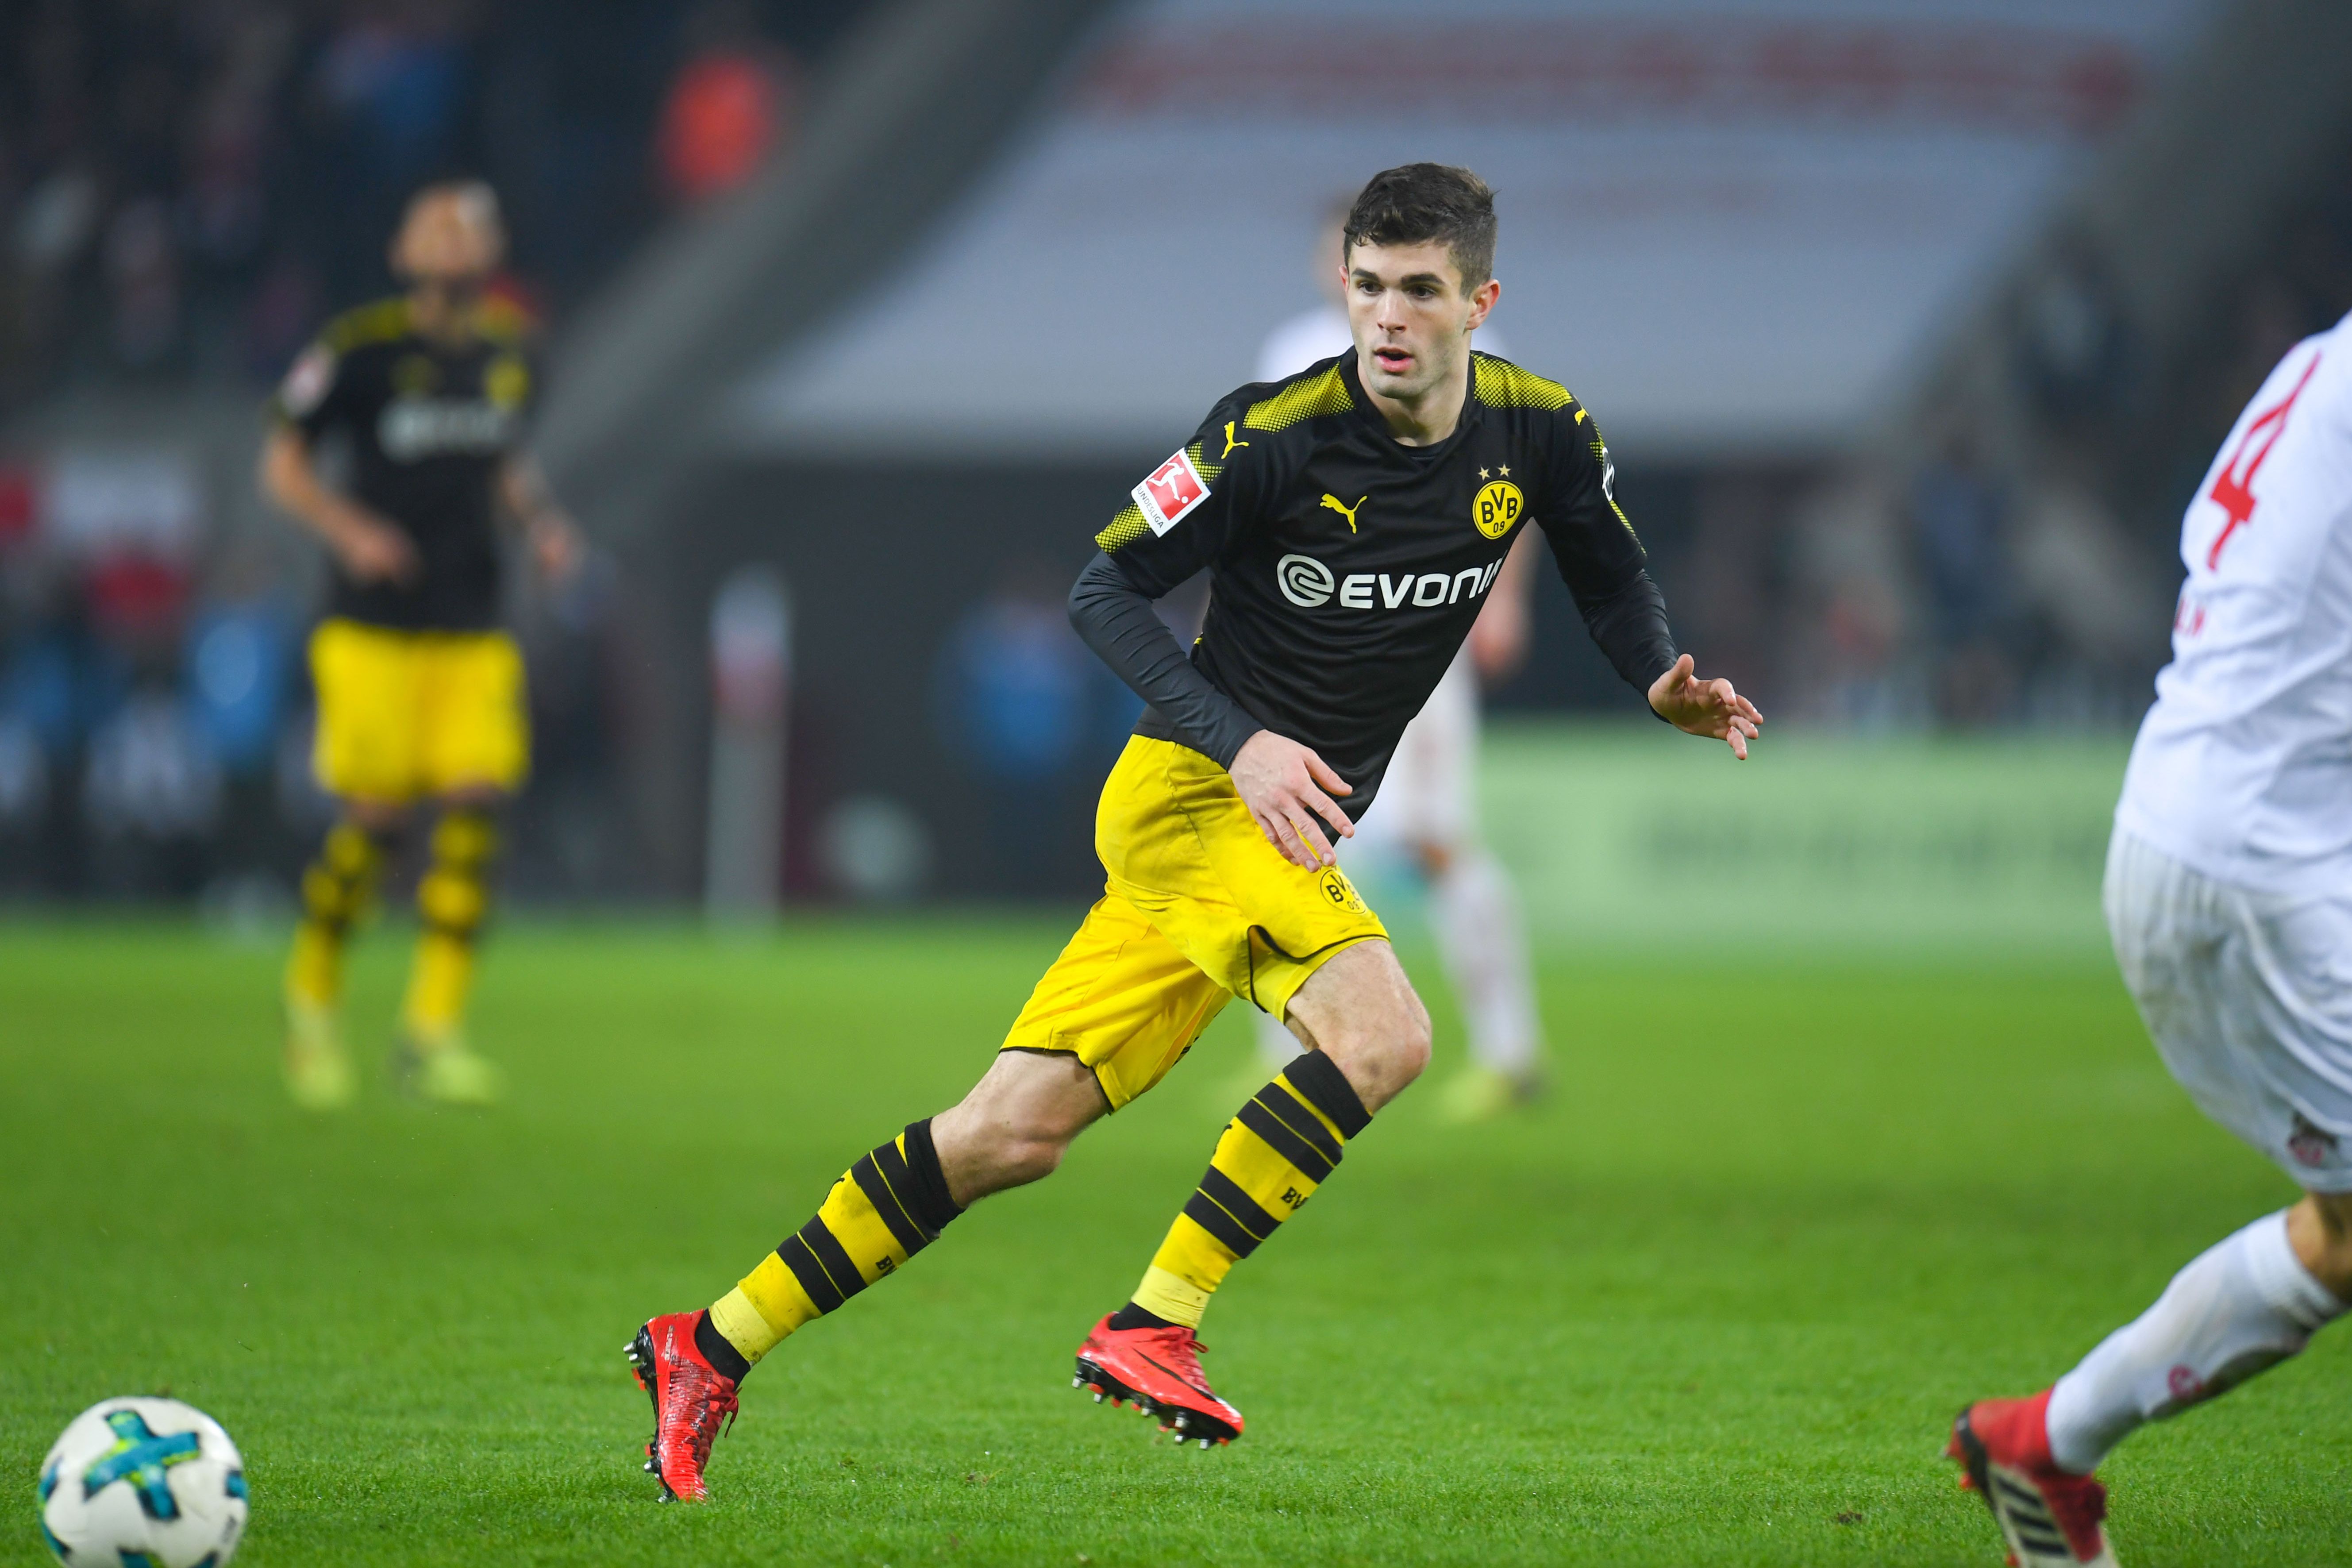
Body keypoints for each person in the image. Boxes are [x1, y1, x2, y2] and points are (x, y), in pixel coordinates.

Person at [624, 163, 1759, 1502]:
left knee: (1008, 1135)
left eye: (1418, 292)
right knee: (1386, 1034)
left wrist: (1659, 678)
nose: (1387, 318)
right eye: (1367, 287)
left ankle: (708, 1341)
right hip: (1193, 796)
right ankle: (1153, 1322)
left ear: (1479, 302)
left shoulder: (1539, 429)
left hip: (1256, 819)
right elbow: (1101, 590)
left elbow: (1609, 566)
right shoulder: (1270, 433)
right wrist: (1245, 739)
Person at [1947, 314, 2352, 1566]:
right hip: (2259, 864)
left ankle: (2038, 1445)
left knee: (2341, 1236)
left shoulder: (2318, 362)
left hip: (2224, 829)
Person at [262, 181, 580, 1111]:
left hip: (471, 624)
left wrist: (545, 525)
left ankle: (431, 1033)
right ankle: (311, 1003)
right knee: (376, 817)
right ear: (404, 251)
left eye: (468, 227)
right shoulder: (357, 353)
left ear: (492, 249)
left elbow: (506, 461)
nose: (452, 241)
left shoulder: (514, 358)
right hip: (371, 626)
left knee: (476, 809)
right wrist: (347, 526)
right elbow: (282, 458)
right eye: (434, 227)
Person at [1250, 203, 1546, 1122]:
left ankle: (1511, 1049)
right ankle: (1290, 1054)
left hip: (1414, 630)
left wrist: (1502, 593)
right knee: (1288, 833)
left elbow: (1518, 478)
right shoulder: (1294, 349)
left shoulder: (1461, 347)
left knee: (1435, 840)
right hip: (1311, 639)